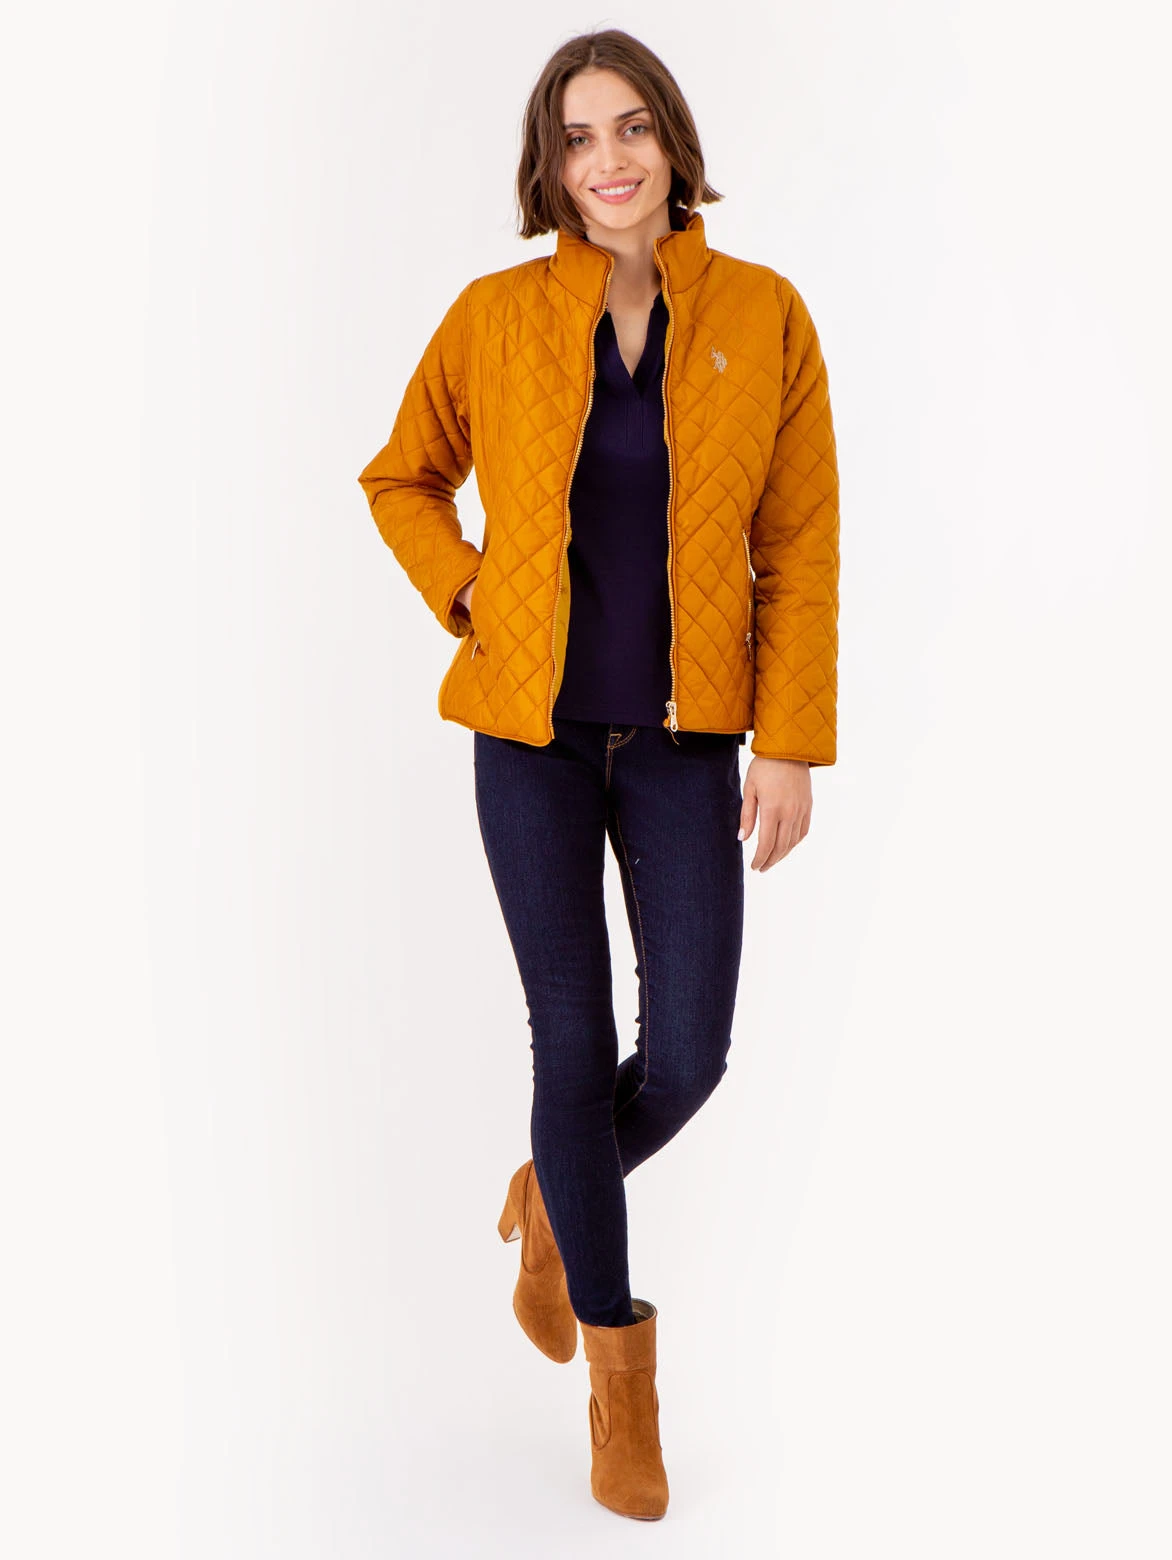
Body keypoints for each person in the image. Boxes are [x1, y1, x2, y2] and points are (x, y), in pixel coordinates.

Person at [357, 28, 839, 1521]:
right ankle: (622, 1393)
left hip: (691, 742)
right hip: (532, 738)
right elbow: (400, 478)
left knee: (687, 1052)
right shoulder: (497, 317)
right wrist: (469, 594)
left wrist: (791, 744)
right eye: (578, 138)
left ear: (673, 142)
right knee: (570, 1047)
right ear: (550, 166)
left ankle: (555, 1200)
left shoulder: (763, 315)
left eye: (631, 127)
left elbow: (799, 543)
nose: (609, 159)